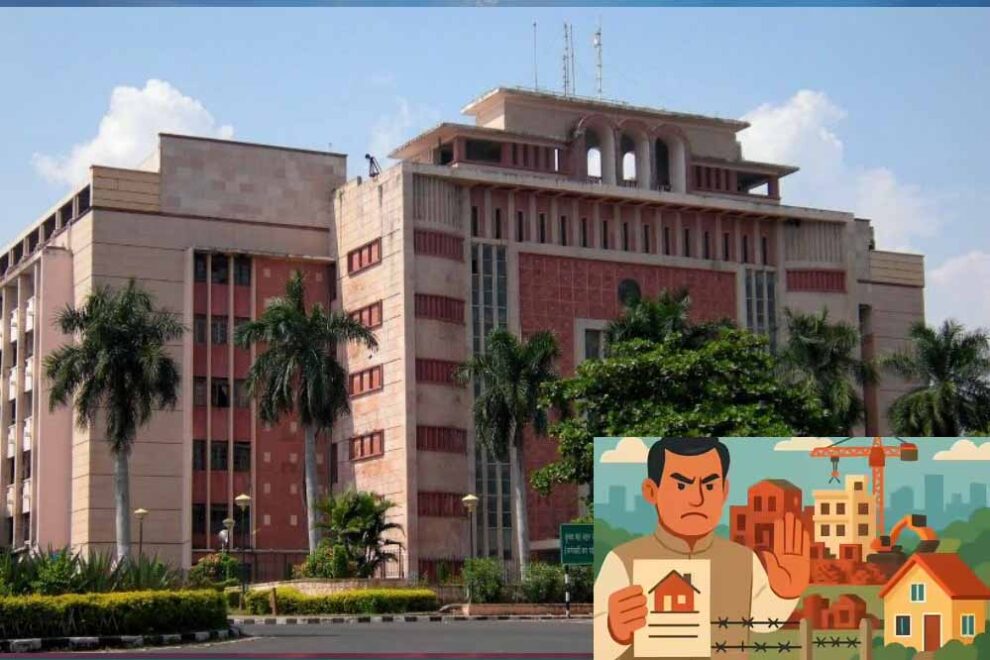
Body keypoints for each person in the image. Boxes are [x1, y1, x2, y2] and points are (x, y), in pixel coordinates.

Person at [594, 438, 810, 659]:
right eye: (681, 486)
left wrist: (785, 594)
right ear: (651, 491)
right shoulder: (623, 561)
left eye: (709, 486)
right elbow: (601, 643)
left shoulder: (742, 560)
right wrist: (615, 630)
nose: (697, 499)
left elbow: (762, 622)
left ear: (724, 491)